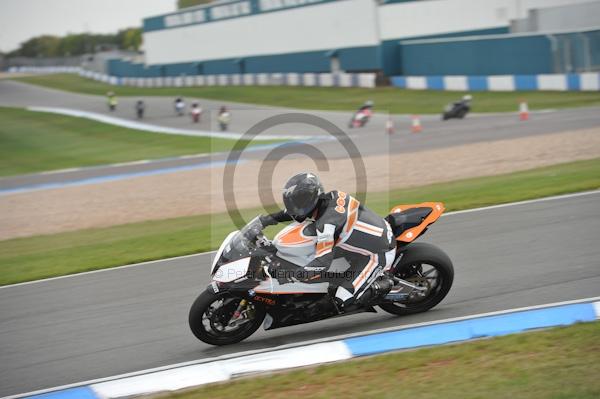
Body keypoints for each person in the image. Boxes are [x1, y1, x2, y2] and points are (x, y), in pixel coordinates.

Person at [255, 173, 397, 311]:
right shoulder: (330, 197)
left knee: (342, 299)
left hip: (378, 253)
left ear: (310, 199)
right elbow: (290, 212)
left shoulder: (327, 225)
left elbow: (322, 262)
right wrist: (265, 221)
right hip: (366, 238)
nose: (294, 207)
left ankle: (384, 283)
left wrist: (290, 275)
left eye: (298, 202)